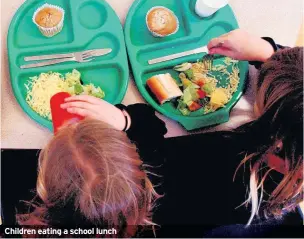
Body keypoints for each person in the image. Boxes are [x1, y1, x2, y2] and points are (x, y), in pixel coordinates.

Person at [2, 29, 303, 238]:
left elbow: (155, 144)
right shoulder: (286, 147)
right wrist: (269, 52)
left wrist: (129, 122)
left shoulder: (216, 177)